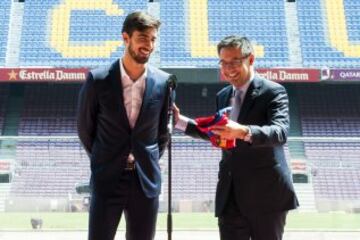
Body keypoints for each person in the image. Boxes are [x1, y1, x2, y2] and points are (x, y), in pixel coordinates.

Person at [174, 35, 299, 240]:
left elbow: (280, 132)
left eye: (235, 61)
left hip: (266, 195)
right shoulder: (223, 95)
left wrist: (243, 131)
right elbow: (216, 132)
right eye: (223, 62)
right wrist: (179, 121)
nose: (228, 68)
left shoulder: (273, 91)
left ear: (251, 59)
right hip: (230, 194)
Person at [77, 11, 173, 240]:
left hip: (145, 181)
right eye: (142, 37)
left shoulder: (163, 82)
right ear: (125, 38)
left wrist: (144, 158)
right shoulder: (98, 79)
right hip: (107, 178)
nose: (148, 44)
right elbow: (85, 129)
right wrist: (108, 157)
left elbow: (162, 133)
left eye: (153, 39)